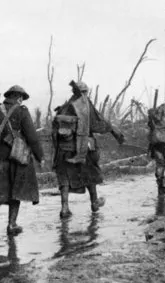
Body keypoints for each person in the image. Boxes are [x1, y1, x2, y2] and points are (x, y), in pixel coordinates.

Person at [0, 85, 44, 236]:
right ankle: (12, 225)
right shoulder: (22, 111)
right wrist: (40, 156)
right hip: (16, 157)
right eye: (22, 98)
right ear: (19, 97)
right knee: (16, 191)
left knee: (1, 188)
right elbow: (32, 137)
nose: (22, 100)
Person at [52, 80, 125, 217]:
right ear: (85, 92)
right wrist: (112, 129)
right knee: (90, 174)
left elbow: (55, 130)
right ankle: (94, 203)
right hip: (83, 147)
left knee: (64, 177)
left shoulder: (65, 106)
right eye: (86, 92)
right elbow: (97, 125)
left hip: (63, 148)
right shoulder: (85, 104)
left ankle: (64, 208)